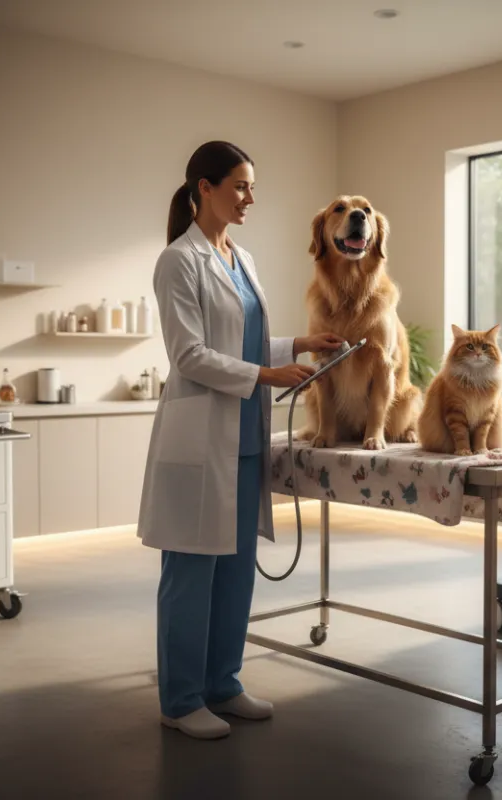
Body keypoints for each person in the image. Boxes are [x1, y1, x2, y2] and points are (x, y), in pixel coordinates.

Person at [137, 140, 345, 740]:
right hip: (200, 438)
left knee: (235, 572)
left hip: (243, 437)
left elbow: (246, 343)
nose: (250, 197)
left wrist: (300, 348)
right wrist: (267, 375)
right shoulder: (178, 261)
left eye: (252, 187)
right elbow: (191, 355)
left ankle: (223, 683)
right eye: (240, 186)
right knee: (191, 574)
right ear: (204, 188)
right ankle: (180, 700)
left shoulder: (242, 259)